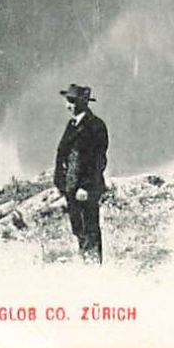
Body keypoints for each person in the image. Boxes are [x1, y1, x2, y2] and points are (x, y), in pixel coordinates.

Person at [53, 84, 108, 264]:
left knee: (90, 228)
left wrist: (86, 186)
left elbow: (98, 160)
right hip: (71, 189)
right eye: (68, 101)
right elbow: (62, 154)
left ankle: (94, 267)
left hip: (86, 190)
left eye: (72, 101)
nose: (68, 106)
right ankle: (86, 263)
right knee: (78, 229)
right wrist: (60, 185)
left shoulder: (96, 125)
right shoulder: (71, 124)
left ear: (83, 103)